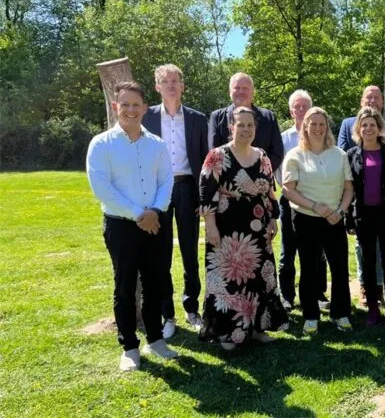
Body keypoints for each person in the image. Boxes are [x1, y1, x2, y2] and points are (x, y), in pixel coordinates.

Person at [86, 81, 177, 371]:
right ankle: (129, 347)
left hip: (156, 223)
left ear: (145, 108)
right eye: (125, 104)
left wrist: (155, 211)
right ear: (116, 107)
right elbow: (101, 187)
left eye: (136, 104)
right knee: (125, 286)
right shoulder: (102, 144)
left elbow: (166, 180)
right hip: (121, 225)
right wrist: (140, 214)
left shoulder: (156, 144)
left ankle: (156, 339)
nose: (130, 110)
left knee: (155, 282)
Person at [199, 107, 289, 350]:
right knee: (229, 280)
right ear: (231, 127)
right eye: (241, 125)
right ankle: (228, 334)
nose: (246, 129)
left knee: (260, 278)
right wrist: (210, 227)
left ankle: (258, 329)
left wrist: (272, 219)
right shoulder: (217, 155)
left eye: (250, 125)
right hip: (227, 230)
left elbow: (269, 191)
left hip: (258, 228)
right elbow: (206, 193)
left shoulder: (262, 156)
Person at [143, 64, 208, 339]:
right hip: (158, 191)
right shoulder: (146, 117)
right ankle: (167, 314)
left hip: (187, 189)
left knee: (190, 252)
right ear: (157, 87)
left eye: (175, 81)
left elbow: (205, 160)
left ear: (182, 86)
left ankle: (192, 309)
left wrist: (203, 196)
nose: (170, 85)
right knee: (161, 255)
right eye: (165, 81)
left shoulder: (197, 119)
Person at [282, 107, 354, 335]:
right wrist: (314, 206)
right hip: (306, 218)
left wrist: (340, 211)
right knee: (309, 269)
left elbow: (349, 188)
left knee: (340, 267)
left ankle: (340, 313)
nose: (318, 128)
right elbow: (288, 190)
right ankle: (311, 315)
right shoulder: (294, 155)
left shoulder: (339, 155)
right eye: (313, 124)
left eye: (322, 124)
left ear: (327, 127)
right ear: (305, 127)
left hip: (334, 219)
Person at [336, 85, 385, 307]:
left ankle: (380, 287)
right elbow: (343, 155)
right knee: (363, 248)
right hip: (359, 199)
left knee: (382, 248)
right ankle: (365, 286)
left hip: (384, 201)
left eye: (376, 97)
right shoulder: (347, 124)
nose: (372, 101)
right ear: (362, 100)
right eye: (368, 97)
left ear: (382, 102)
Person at [347, 107, 385, 326]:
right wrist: (349, 219)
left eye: (372, 125)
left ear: (379, 128)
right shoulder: (352, 155)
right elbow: (349, 189)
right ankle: (372, 308)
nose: (368, 129)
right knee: (368, 263)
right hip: (364, 217)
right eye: (364, 125)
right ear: (358, 129)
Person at [275, 90, 328, 311]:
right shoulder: (283, 138)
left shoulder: (321, 137)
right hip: (289, 199)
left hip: (316, 200)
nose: (301, 110)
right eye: (297, 107)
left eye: (305, 106)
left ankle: (319, 293)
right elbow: (278, 169)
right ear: (291, 111)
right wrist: (289, 190)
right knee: (288, 250)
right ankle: (287, 295)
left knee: (317, 250)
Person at [208, 72, 284, 171]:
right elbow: (214, 151)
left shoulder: (268, 117)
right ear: (229, 91)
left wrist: (258, 172)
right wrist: (236, 175)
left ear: (253, 92)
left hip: (261, 176)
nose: (241, 91)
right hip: (226, 177)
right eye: (237, 88)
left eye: (245, 88)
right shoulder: (217, 117)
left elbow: (277, 153)